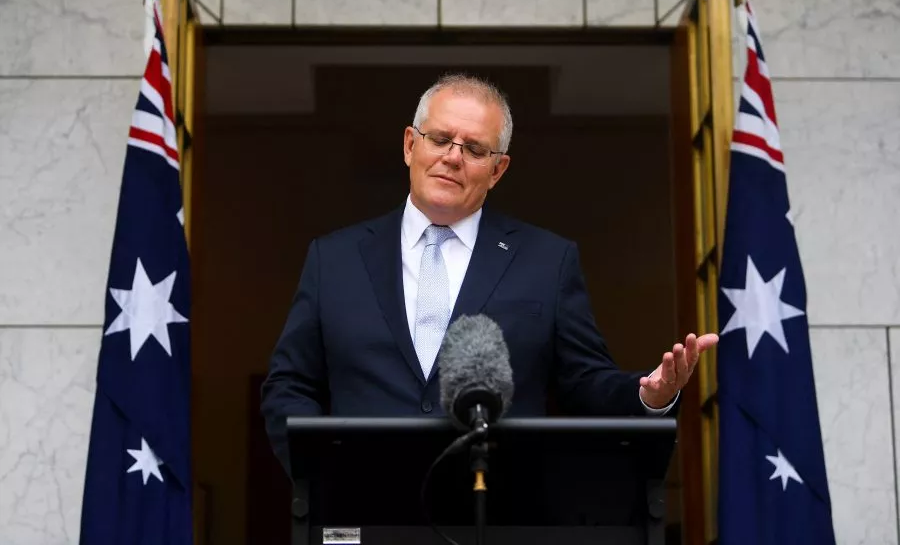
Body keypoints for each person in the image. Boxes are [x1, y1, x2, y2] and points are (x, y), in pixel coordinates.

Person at [260, 74, 718, 474]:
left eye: (475, 149)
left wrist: (650, 395)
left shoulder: (547, 261)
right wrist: (320, 471)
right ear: (410, 145)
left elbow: (584, 383)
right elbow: (289, 385)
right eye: (440, 139)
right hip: (361, 505)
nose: (453, 157)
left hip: (497, 508)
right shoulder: (334, 258)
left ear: (497, 169)